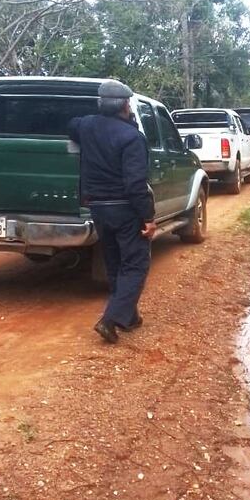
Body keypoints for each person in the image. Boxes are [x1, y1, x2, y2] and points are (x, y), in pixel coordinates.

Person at [68, 80, 156, 344]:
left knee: (116, 263)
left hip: (98, 209)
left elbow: (71, 124)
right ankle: (110, 319)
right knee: (136, 265)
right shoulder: (132, 137)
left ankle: (128, 317)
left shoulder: (86, 127)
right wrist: (148, 218)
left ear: (101, 104)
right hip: (125, 210)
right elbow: (135, 184)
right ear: (126, 105)